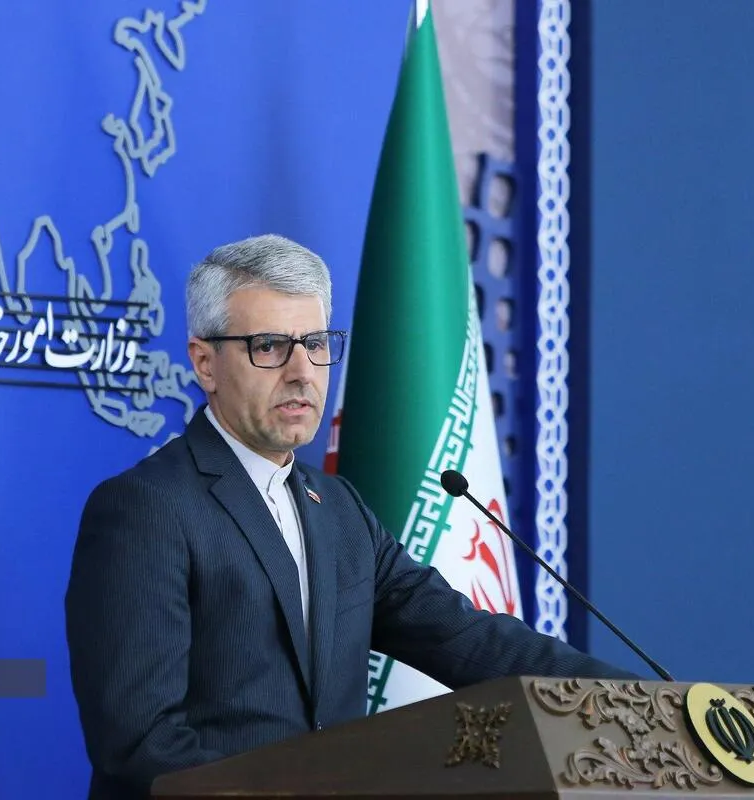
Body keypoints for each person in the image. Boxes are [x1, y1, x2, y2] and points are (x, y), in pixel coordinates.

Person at [64, 234, 638, 799]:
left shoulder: (339, 510)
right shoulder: (147, 508)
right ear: (205, 363)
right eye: (269, 346)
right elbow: (141, 743)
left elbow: (469, 639)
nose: (302, 371)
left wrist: (636, 702)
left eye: (315, 343)